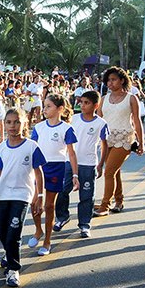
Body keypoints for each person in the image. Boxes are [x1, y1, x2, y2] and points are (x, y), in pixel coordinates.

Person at [0, 109, 45, 287]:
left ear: (24, 123)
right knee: (1, 229)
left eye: (16, 122)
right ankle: (8, 252)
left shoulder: (31, 146)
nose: (13, 126)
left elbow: (38, 173)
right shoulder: (1, 148)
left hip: (22, 195)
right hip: (2, 195)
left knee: (14, 231)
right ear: (5, 124)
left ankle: (13, 269)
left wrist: (40, 196)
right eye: (9, 122)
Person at [28, 94, 79, 256]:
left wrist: (75, 175)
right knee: (34, 203)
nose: (45, 109)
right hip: (39, 168)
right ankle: (38, 230)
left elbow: (71, 154)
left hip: (56, 168)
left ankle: (47, 240)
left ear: (60, 109)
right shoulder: (39, 127)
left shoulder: (66, 129)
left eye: (49, 106)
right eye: (44, 106)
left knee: (49, 206)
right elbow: (31, 149)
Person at [54, 90, 108, 238]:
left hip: (88, 164)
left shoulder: (101, 123)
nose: (82, 105)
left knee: (86, 195)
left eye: (86, 103)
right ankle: (61, 217)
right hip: (69, 162)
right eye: (81, 102)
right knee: (62, 190)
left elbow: (104, 145)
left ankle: (84, 225)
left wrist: (100, 164)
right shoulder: (73, 119)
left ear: (95, 105)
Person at [95, 67, 145, 216]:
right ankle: (119, 200)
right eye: (108, 80)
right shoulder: (103, 99)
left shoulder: (131, 98)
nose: (110, 83)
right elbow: (98, 121)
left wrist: (141, 142)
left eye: (114, 79)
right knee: (115, 172)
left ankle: (105, 205)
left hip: (124, 139)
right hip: (107, 140)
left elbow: (137, 121)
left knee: (109, 171)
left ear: (122, 80)